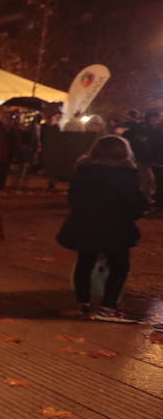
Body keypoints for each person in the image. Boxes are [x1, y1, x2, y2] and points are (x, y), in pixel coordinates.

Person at [55, 135, 149, 322]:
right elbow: (134, 204)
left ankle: (83, 303)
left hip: (85, 224)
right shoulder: (126, 173)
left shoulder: (83, 171)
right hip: (116, 227)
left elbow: (73, 199)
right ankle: (108, 306)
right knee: (119, 266)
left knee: (85, 262)